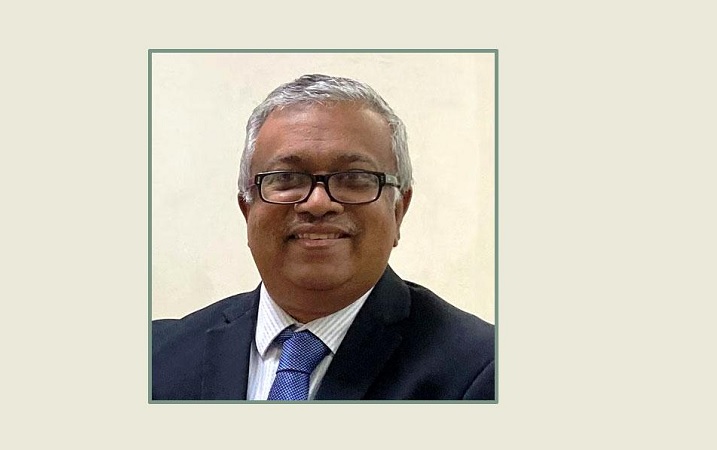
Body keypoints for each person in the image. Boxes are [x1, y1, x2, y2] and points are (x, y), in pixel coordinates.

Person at [152, 74, 495, 401]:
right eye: (287, 178)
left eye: (354, 178)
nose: (318, 203)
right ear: (247, 209)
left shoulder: (481, 371)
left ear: (398, 211)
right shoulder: (157, 357)